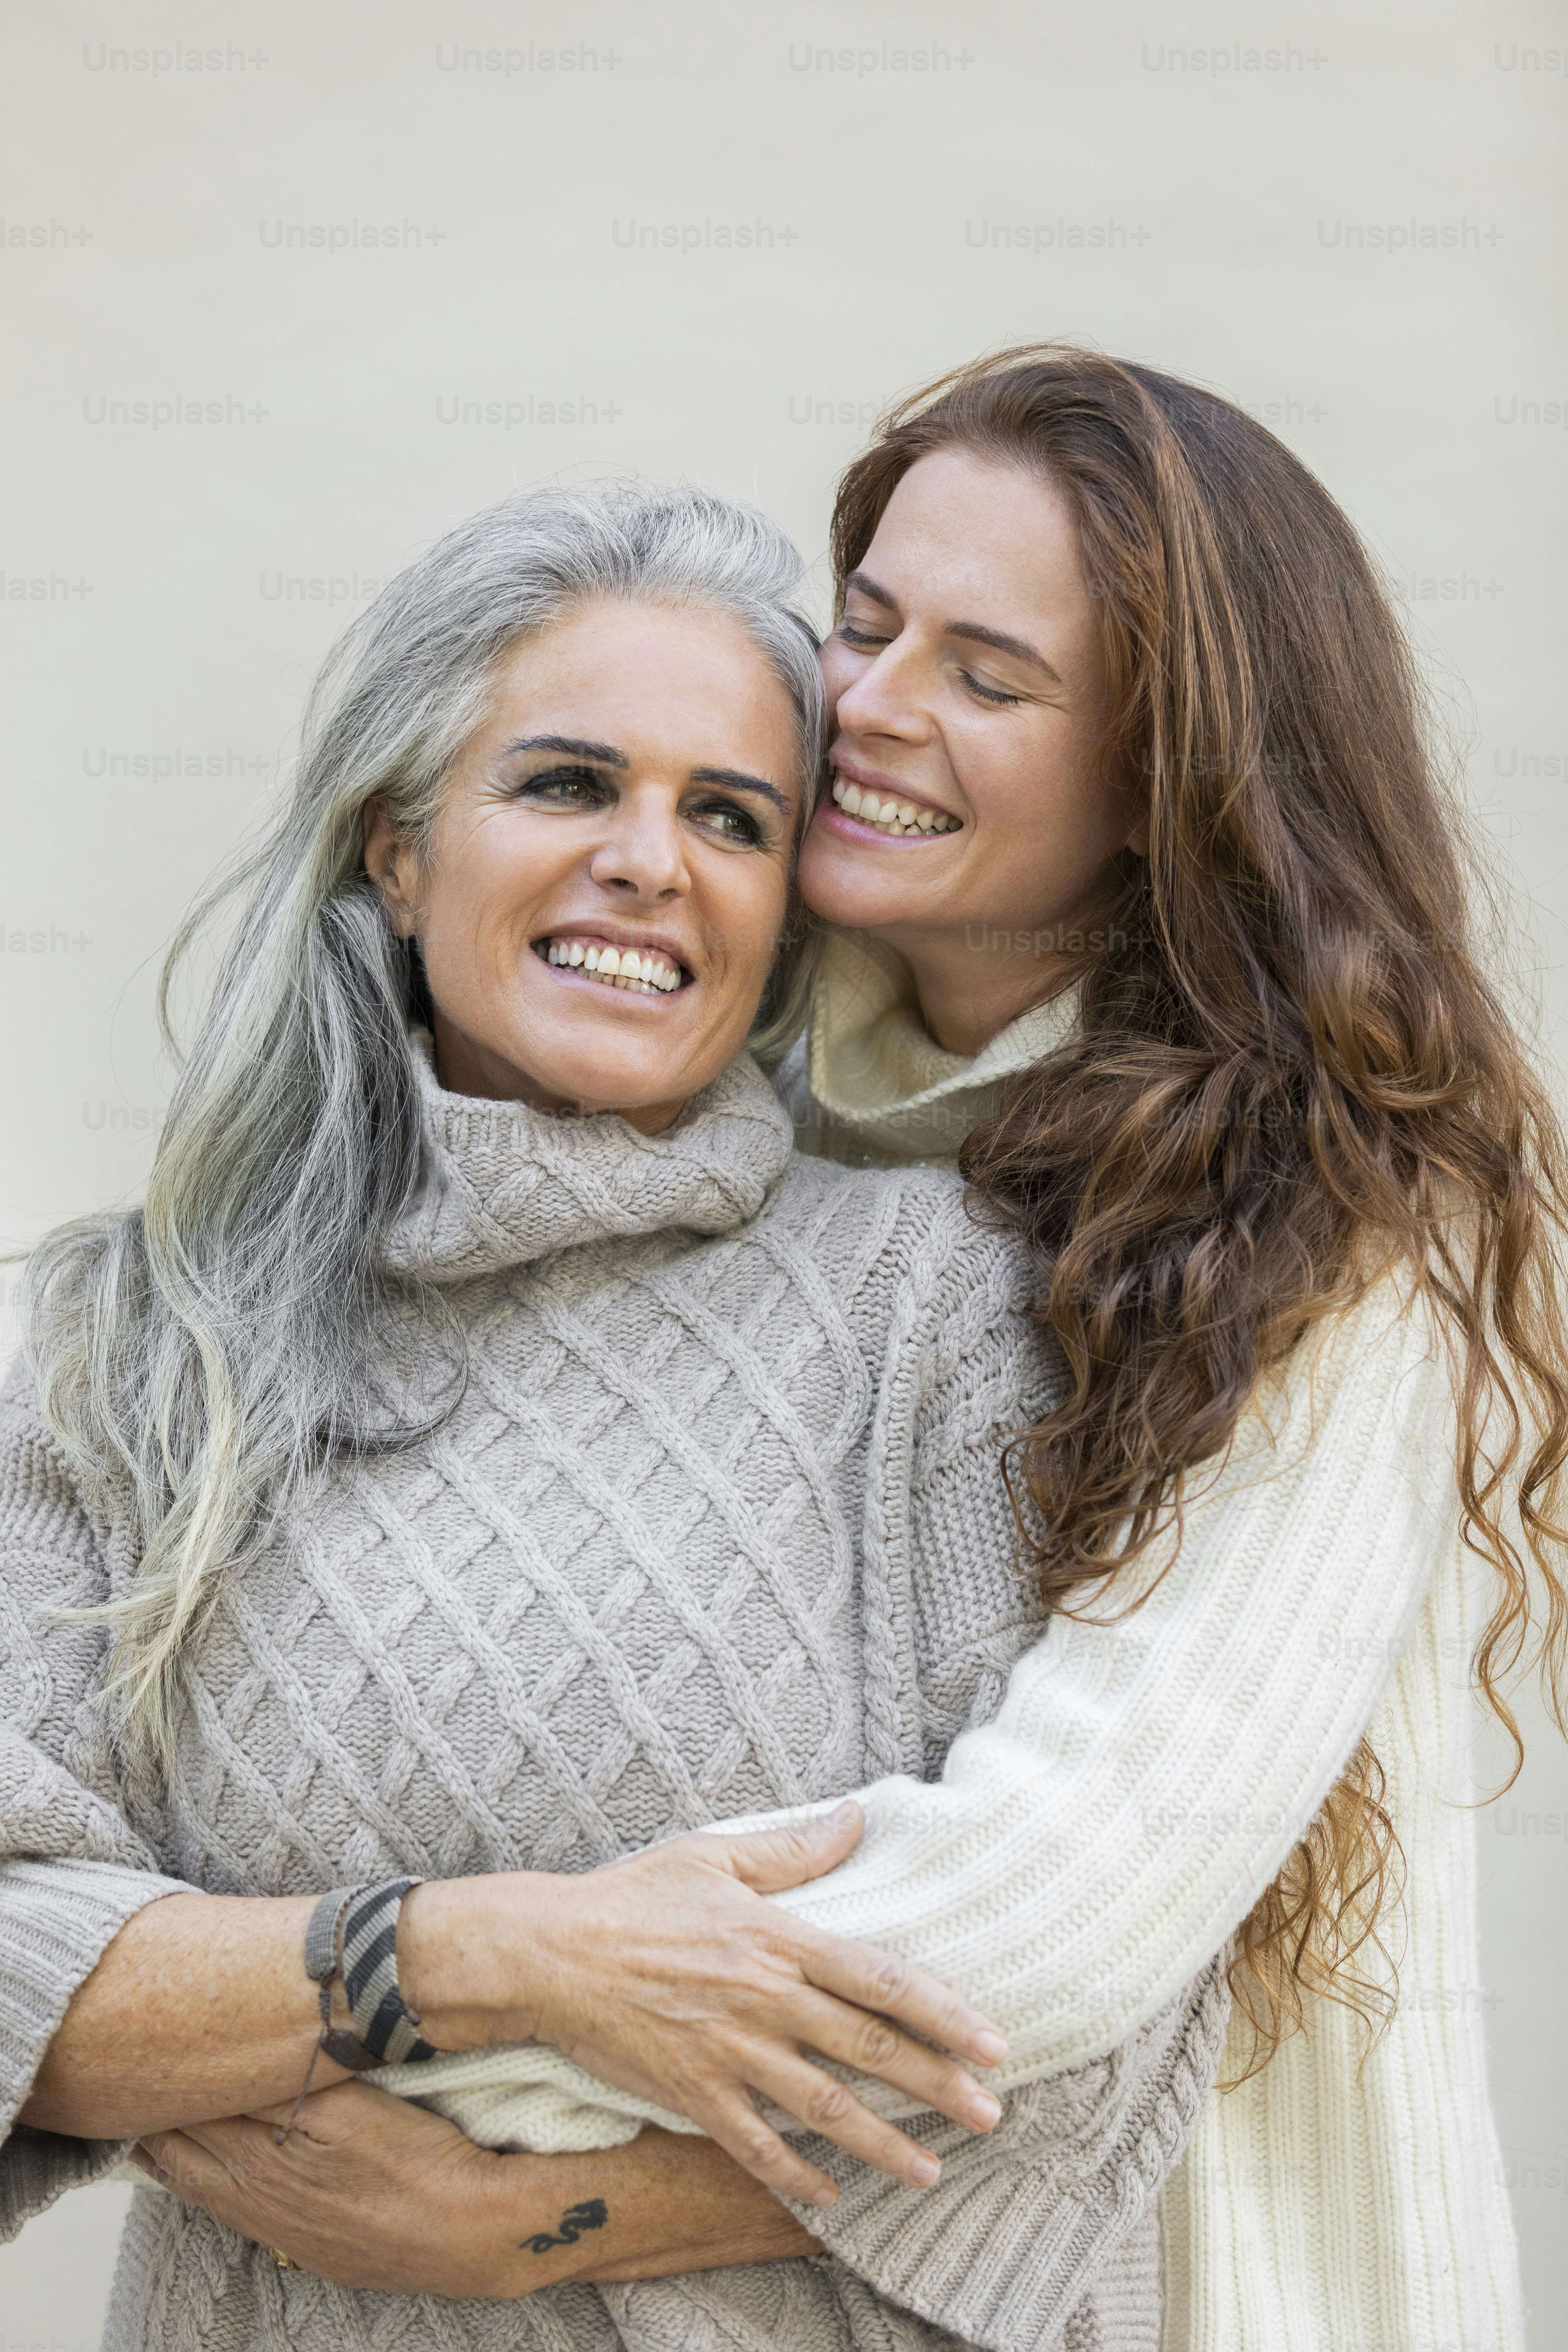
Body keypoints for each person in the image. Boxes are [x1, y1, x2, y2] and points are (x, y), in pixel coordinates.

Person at [0, 483, 1223, 2352]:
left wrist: (533, 2222)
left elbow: (1100, 2013)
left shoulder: (945, 1303)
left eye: (729, 817)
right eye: (569, 785)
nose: (653, 861)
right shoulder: (121, 1344)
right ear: (399, 851)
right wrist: (477, 1955)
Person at [760, 344, 1567, 2351]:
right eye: (863, 628)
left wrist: (461, 2010)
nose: (867, 709)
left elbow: (1059, 1897)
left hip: (1218, 2289)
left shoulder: (1335, 1201)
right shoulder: (718, 1109)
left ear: (1168, 782)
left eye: (988, 676)